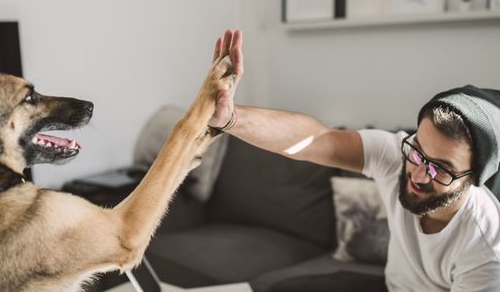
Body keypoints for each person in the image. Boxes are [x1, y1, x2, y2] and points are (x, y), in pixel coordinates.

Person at [208, 29, 500, 291]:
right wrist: (231, 118)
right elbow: (318, 140)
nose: (419, 175)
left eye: (442, 169)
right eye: (418, 151)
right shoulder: (399, 155)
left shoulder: (486, 249)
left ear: (475, 178)